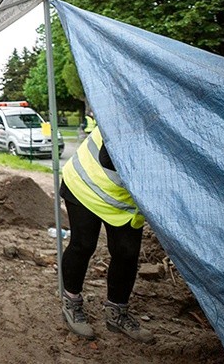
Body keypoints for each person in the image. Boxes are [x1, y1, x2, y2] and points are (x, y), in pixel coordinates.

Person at [59, 125, 154, 343]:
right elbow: (109, 157)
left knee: (127, 252)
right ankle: (71, 302)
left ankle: (116, 313)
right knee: (83, 244)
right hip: (86, 183)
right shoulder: (130, 113)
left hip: (122, 197)